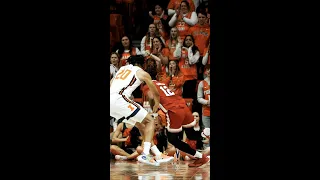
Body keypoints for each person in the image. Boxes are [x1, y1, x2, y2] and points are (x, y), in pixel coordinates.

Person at [142, 64, 210, 167]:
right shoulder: (161, 83)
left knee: (173, 139)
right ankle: (203, 145)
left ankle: (200, 156)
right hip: (183, 106)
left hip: (173, 110)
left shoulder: (147, 85)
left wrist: (154, 111)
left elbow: (152, 96)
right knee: (191, 134)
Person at [110, 55, 172, 166]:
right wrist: (156, 105)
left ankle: (157, 154)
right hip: (120, 99)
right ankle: (145, 154)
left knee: (142, 125)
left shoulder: (121, 69)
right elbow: (155, 93)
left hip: (111, 102)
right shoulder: (142, 72)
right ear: (142, 64)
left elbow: (111, 83)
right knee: (150, 121)